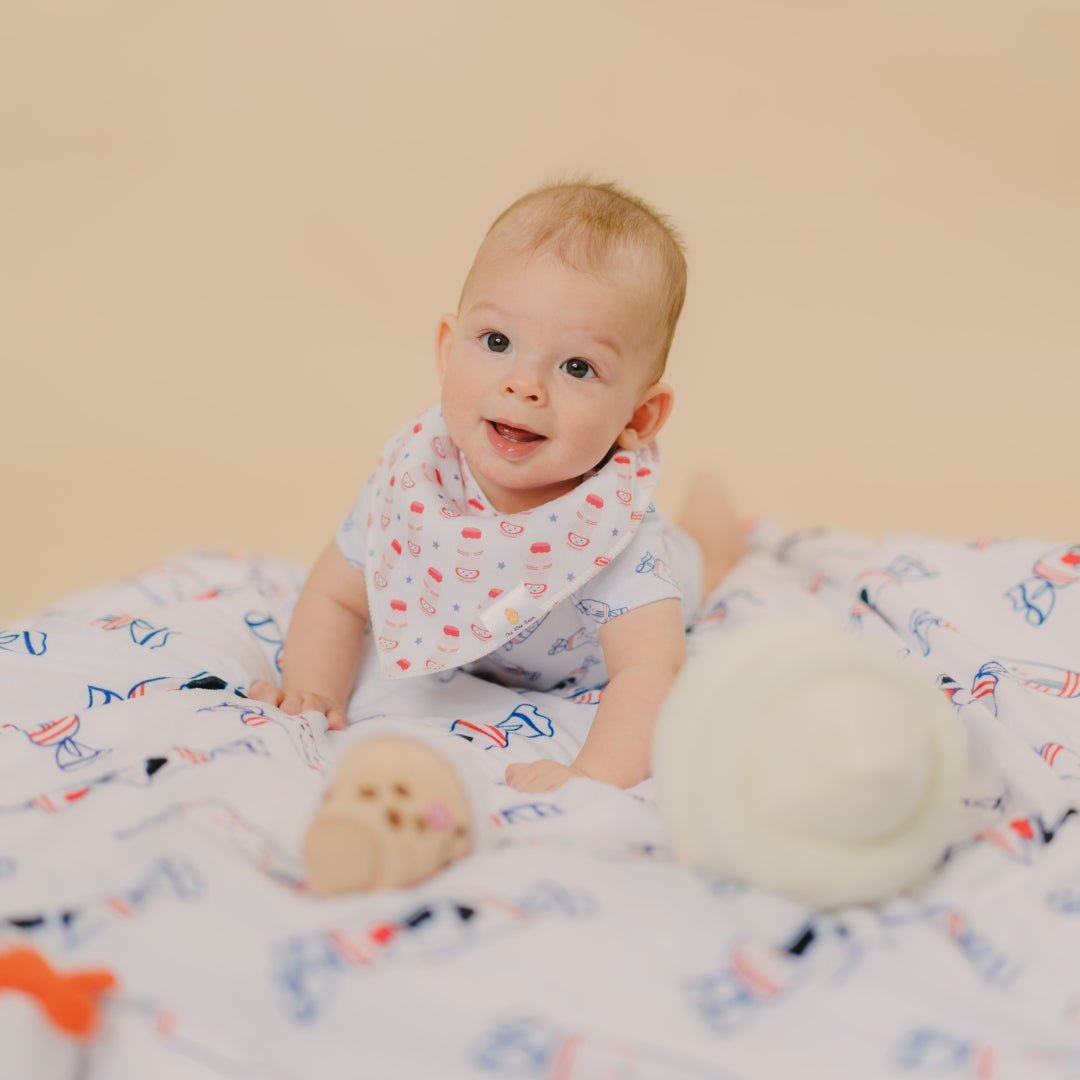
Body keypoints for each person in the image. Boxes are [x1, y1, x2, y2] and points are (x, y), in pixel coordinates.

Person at [250, 180, 742, 796]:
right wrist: (313, 690)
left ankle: (714, 518)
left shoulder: (620, 540)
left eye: (577, 367)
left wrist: (589, 777)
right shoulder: (417, 483)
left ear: (637, 419)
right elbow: (338, 595)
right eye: (498, 342)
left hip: (638, 608)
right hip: (494, 635)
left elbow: (650, 672)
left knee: (708, 557)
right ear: (446, 349)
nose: (524, 384)